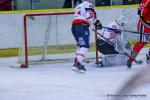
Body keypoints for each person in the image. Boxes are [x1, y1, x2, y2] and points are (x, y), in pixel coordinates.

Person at [71, 0, 102, 72]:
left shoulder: (78, 6)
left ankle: (76, 63)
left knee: (80, 45)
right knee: (85, 46)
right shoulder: (88, 4)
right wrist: (96, 22)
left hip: (74, 27)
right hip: (82, 26)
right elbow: (89, 16)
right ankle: (78, 64)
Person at [127, 0, 150, 68]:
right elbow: (140, 12)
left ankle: (149, 56)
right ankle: (130, 59)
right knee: (141, 43)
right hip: (145, 24)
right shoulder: (147, 1)